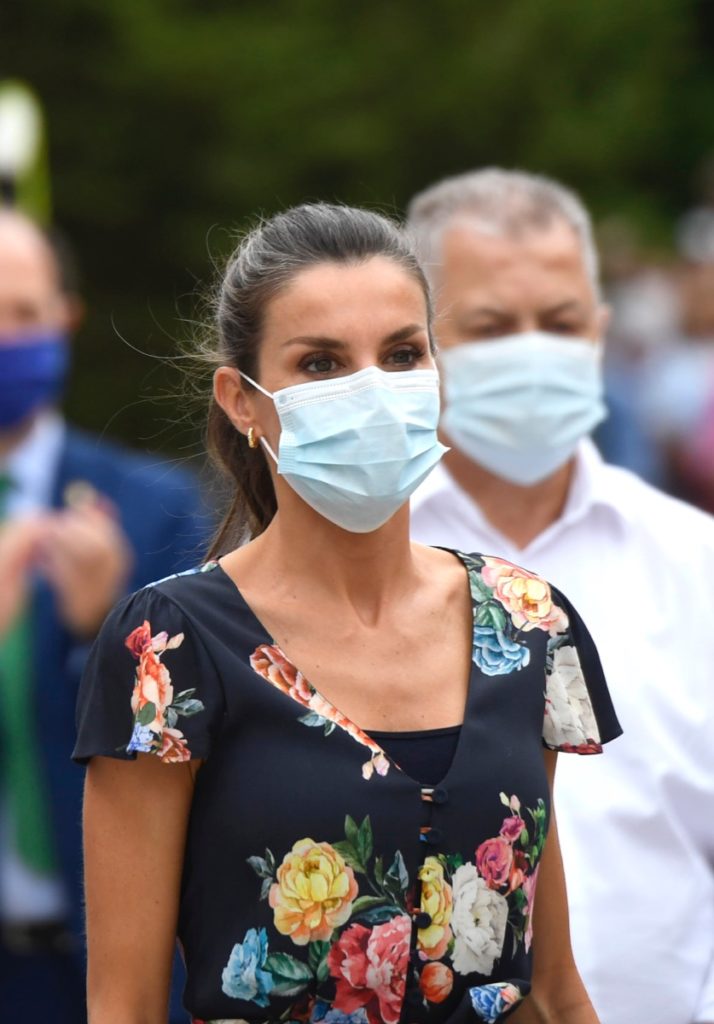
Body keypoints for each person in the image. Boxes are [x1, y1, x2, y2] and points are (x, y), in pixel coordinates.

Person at [74, 202, 620, 1024]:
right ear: (242, 400)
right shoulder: (169, 647)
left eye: (402, 354)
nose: (373, 392)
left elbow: (552, 988)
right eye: (322, 363)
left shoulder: (527, 623)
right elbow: (125, 1004)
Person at [406, 168, 714, 1024]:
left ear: (602, 331)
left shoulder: (696, 565)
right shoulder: (347, 565)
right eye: (492, 327)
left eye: (561, 321)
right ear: (418, 345)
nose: (533, 350)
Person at [0, 208, 211, 1022]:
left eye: (23, 313)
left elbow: (197, 751)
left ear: (66, 317)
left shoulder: (152, 507)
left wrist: (99, 638)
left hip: (105, 966)